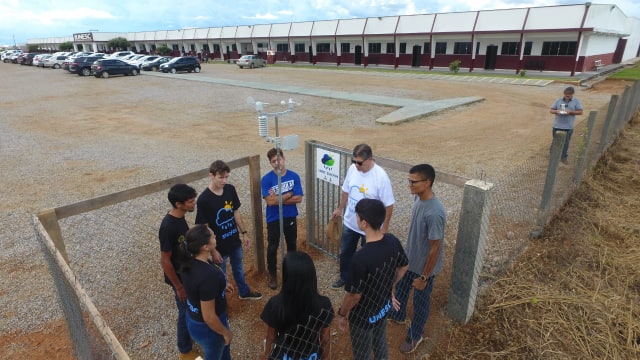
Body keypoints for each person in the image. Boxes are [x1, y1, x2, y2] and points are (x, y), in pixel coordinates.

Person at [337, 199, 408, 360]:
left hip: (362, 318)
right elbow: (404, 266)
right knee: (380, 342)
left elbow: (354, 296)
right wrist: (390, 286)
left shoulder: (360, 258)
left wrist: (342, 314)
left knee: (363, 354)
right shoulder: (392, 241)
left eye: (357, 217)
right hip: (382, 308)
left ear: (364, 223)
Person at [388, 164, 447, 354]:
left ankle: (416, 333)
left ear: (427, 182)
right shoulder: (418, 198)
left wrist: (424, 278)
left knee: (421, 302)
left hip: (424, 269)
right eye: (409, 180)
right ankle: (398, 314)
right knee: (402, 288)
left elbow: (435, 247)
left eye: (413, 181)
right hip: (410, 260)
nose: (409, 184)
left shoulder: (435, 213)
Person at [196, 160, 262, 300]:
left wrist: (244, 233)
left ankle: (243, 292)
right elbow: (204, 227)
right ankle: (221, 303)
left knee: (238, 268)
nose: (224, 180)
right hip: (219, 247)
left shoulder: (230, 189)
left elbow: (235, 212)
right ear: (211, 176)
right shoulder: (204, 200)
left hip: (234, 241)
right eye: (221, 177)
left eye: (227, 177)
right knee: (220, 276)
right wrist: (213, 251)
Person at [331, 144, 395, 289]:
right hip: (350, 223)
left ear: (370, 159)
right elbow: (346, 190)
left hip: (370, 229)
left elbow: (389, 205)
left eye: (359, 162)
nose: (356, 165)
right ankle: (345, 277)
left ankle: (365, 284)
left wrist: (384, 229)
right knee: (346, 252)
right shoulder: (352, 169)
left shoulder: (381, 177)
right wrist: (340, 208)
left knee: (369, 257)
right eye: (354, 161)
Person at [259, 251, 334, 359]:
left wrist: (266, 354)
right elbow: (325, 338)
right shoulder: (324, 304)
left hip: (285, 354)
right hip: (310, 355)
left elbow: (271, 336)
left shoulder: (276, 304)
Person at [178, 224, 234, 360]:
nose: (215, 236)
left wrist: (220, 287)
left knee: (224, 354)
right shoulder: (209, 276)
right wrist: (225, 333)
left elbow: (198, 288)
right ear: (205, 247)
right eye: (212, 235)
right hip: (209, 329)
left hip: (192, 318)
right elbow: (209, 317)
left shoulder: (189, 261)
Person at [158, 183, 200, 360]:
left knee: (191, 309)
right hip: (179, 279)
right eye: (190, 201)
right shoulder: (168, 227)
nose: (194, 203)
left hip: (187, 274)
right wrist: (179, 287)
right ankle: (184, 350)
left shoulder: (180, 217)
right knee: (184, 312)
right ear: (178, 204)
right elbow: (165, 260)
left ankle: (192, 336)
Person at [261, 148, 304, 290]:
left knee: (291, 245)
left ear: (283, 159)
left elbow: (299, 199)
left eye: (278, 159)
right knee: (272, 247)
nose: (277, 163)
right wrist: (288, 194)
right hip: (273, 218)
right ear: (270, 163)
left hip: (290, 216)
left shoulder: (294, 176)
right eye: (273, 161)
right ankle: (273, 274)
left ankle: (292, 273)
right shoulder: (266, 179)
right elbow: (270, 202)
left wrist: (278, 198)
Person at [549, 86, 583, 164]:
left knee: (566, 143)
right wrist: (556, 111)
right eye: (565, 94)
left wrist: (570, 112)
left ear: (572, 94)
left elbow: (580, 112)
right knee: (555, 141)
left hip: (568, 126)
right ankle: (552, 156)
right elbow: (551, 110)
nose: (567, 96)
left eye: (569, 95)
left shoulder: (576, 101)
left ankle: (563, 157)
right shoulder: (558, 100)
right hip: (557, 125)